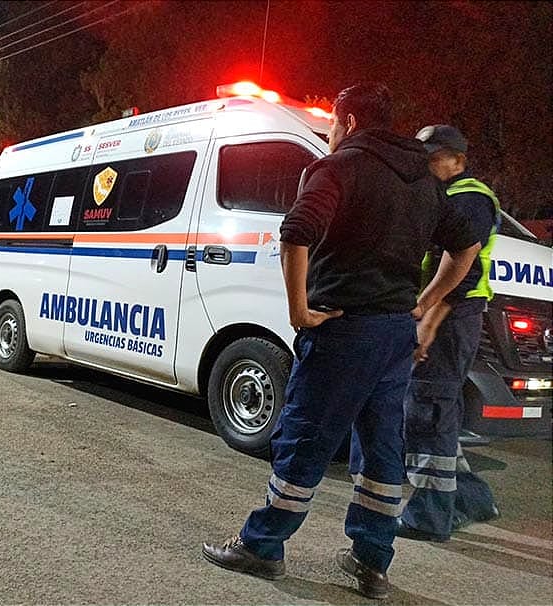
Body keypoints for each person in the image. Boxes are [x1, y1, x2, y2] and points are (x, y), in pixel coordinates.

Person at [201, 83, 482, 601]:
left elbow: (297, 230)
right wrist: (422, 302)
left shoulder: (339, 168)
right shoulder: (423, 177)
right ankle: (371, 561)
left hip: (344, 329)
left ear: (348, 122)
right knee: (381, 446)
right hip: (396, 332)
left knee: (305, 435)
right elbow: (467, 245)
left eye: (331, 124)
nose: (329, 133)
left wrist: (298, 311)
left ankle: (263, 546)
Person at [397, 125, 501, 542]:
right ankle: (473, 499)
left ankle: (429, 516)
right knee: (441, 412)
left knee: (428, 412)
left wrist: (427, 320)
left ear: (458, 159)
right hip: (456, 317)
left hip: (452, 317)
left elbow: (465, 267)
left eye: (436, 155)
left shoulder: (468, 196)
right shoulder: (450, 194)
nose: (428, 162)